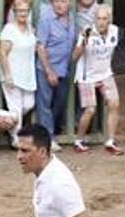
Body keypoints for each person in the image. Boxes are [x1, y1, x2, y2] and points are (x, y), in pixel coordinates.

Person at [71, 5, 122, 156]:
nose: (101, 22)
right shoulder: (87, 31)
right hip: (86, 76)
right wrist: (84, 43)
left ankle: (110, 141)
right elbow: (74, 57)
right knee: (90, 110)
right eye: (98, 19)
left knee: (115, 103)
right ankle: (78, 141)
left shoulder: (115, 31)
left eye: (104, 19)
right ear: (95, 20)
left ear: (109, 20)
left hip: (105, 73)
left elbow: (110, 51)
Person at [36, 0, 76, 151]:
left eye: (63, 1)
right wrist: (49, 71)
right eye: (56, 1)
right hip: (47, 68)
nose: (59, 4)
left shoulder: (72, 18)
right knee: (44, 105)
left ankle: (51, 131)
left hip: (64, 69)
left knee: (59, 103)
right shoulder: (46, 19)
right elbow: (40, 46)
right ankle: (48, 139)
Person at [0, 0, 37, 147]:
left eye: (25, 11)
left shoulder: (30, 28)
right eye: (20, 11)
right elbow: (2, 53)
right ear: (14, 12)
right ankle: (16, 138)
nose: (23, 13)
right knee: (16, 108)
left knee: (28, 104)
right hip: (12, 74)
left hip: (27, 75)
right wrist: (8, 75)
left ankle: (3, 121)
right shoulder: (9, 29)